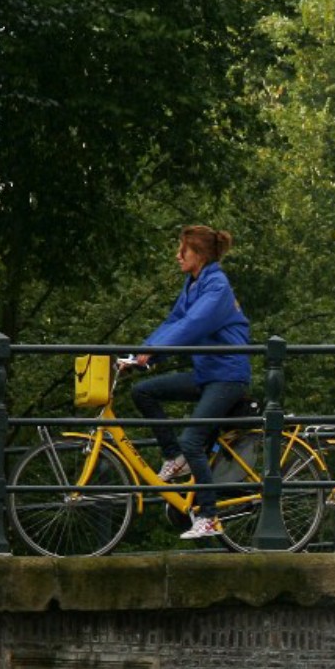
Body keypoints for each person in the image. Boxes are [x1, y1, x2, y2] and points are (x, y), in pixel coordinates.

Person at [126, 225, 252, 540]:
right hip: (207, 372)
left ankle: (209, 517)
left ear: (200, 254)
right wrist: (141, 354)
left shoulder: (217, 286)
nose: (177, 255)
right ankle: (174, 458)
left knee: (193, 440)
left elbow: (194, 324)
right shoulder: (194, 283)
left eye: (183, 250)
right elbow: (174, 321)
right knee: (142, 392)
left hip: (227, 375)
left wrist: (154, 351)